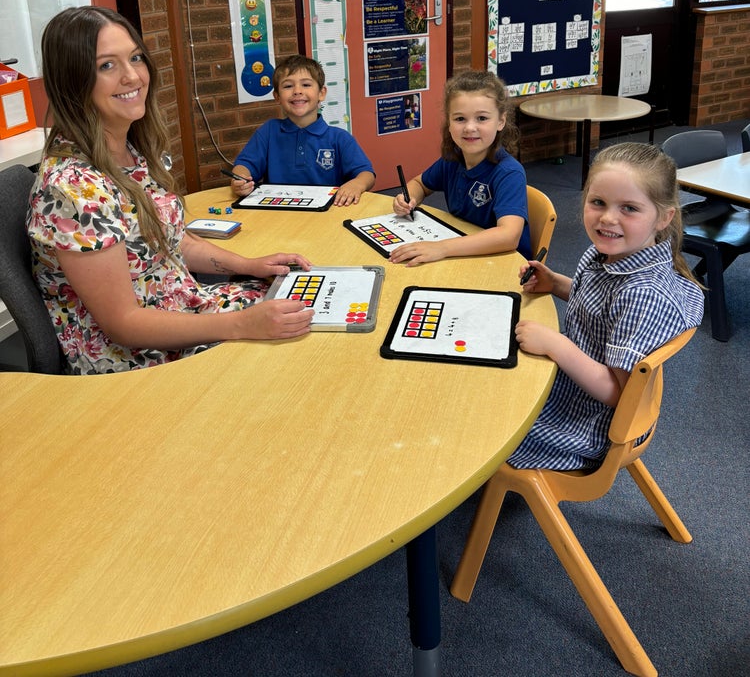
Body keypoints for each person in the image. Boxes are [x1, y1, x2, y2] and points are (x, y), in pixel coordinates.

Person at [27, 6, 314, 375]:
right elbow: (124, 324)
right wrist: (243, 324)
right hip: (134, 358)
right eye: (106, 66)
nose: (132, 76)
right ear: (72, 81)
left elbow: (170, 242)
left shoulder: (130, 151)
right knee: (297, 357)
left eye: (135, 58)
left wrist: (249, 266)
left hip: (183, 307)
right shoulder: (73, 190)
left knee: (306, 306)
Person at [508, 142, 704, 470]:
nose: (608, 218)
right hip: (570, 386)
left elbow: (618, 392)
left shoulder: (643, 295)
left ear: (663, 217)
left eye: (629, 208)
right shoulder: (609, 254)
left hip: (586, 423)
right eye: (598, 202)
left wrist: (556, 344)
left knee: (482, 425)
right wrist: (556, 283)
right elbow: (601, 310)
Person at [391, 70, 531, 265]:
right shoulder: (452, 160)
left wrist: (442, 248)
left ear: (501, 121)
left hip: (504, 264)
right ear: (449, 123)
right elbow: (420, 184)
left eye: (482, 118)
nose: (469, 128)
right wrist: (408, 199)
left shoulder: (509, 173)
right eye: (460, 119)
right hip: (464, 252)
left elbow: (508, 235)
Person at [231, 54, 375, 206]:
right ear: (277, 96)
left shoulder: (339, 138)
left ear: (321, 93)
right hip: (277, 214)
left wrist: (357, 184)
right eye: (288, 86)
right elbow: (244, 165)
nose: (297, 91)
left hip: (326, 216)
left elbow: (366, 174)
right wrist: (240, 178)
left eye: (306, 85)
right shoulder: (268, 131)